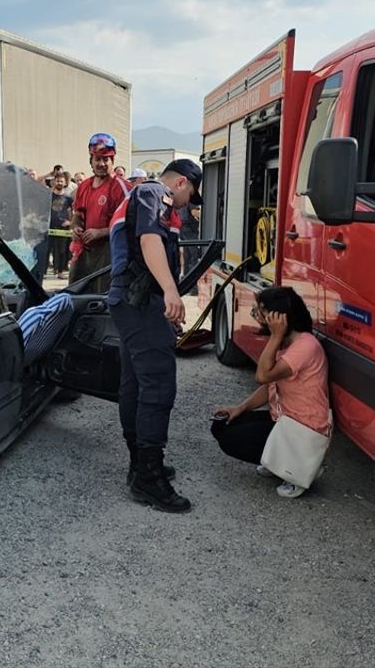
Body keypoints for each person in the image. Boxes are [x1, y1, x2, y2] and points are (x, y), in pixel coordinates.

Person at [107, 158, 200, 512]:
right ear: (181, 183)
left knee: (134, 383)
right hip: (140, 299)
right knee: (159, 385)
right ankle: (148, 476)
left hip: (136, 301)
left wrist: (165, 302)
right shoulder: (153, 193)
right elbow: (149, 242)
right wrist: (171, 294)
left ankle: (140, 464)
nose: (188, 203)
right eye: (191, 193)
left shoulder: (139, 195)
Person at [211, 287, 330, 498]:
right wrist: (239, 408)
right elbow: (270, 387)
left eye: (263, 311)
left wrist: (275, 336)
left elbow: (263, 376)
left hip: (301, 428)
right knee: (221, 425)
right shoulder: (288, 342)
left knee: (231, 439)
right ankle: (278, 460)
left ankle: (298, 470)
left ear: (281, 316)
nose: (259, 315)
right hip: (284, 420)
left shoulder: (305, 346)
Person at [70, 132, 130, 291]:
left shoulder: (121, 187)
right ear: (91, 161)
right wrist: (75, 228)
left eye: (106, 159)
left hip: (111, 252)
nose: (102, 163)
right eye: (98, 159)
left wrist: (101, 232)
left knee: (104, 298)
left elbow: (130, 223)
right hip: (86, 251)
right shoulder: (84, 186)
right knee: (76, 293)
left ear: (112, 161)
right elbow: (77, 215)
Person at [48, 172, 73, 278]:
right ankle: (45, 272)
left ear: (65, 182)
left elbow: (72, 212)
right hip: (49, 227)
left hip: (63, 228)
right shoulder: (48, 196)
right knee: (48, 250)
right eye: (57, 180)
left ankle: (60, 272)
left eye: (61, 181)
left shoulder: (68, 198)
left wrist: (70, 223)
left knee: (62, 251)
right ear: (54, 181)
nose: (59, 183)